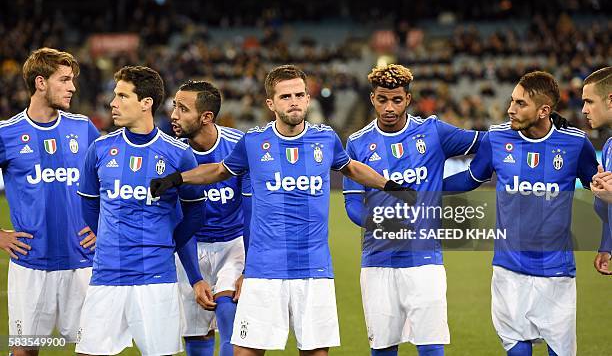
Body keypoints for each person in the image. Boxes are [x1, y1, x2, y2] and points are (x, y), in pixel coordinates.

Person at [150, 64, 414, 356]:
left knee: (315, 353)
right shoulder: (253, 141)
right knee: (245, 351)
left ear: (308, 99)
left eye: (300, 94)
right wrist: (178, 179)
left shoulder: (325, 139)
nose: (294, 101)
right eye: (286, 96)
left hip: (314, 270)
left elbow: (351, 168)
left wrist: (390, 186)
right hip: (264, 271)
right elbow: (219, 171)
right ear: (271, 103)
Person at [444, 71, 598, 356]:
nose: (510, 109)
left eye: (520, 104)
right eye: (511, 101)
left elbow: (600, 191)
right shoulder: (497, 138)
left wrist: (607, 243)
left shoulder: (576, 144)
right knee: (516, 349)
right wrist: (426, 189)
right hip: (508, 268)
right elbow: (470, 177)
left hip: (556, 272)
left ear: (544, 111)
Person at [342, 64, 483, 356]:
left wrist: (473, 177)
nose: (389, 107)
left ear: (408, 99)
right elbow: (352, 204)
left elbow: (488, 142)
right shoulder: (356, 143)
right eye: (382, 99)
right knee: (382, 349)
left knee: (431, 347)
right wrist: (377, 224)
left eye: (396, 100)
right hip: (377, 260)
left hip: (424, 259)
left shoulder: (433, 131)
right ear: (372, 99)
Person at [74, 66, 207, 356]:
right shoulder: (99, 150)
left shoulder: (179, 154)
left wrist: (169, 242)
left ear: (146, 103)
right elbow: (88, 204)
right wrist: (106, 236)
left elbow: (196, 213)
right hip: (107, 274)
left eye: (123, 96)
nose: (113, 103)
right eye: (114, 95)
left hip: (155, 278)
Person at [0, 47, 98, 356]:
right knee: (25, 351)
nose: (72, 87)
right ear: (40, 82)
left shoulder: (84, 129)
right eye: (64, 80)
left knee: (93, 348)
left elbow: (110, 186)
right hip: (31, 264)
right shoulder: (7, 133)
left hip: (83, 262)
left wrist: (103, 228)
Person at [171, 80, 252, 356]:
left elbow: (252, 210)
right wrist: (195, 278)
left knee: (229, 309)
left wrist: (248, 268)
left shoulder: (238, 145)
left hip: (233, 243)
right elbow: (177, 222)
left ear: (206, 117)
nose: (174, 115)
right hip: (190, 247)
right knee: (196, 335)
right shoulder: (171, 153)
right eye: (174, 106)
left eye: (183, 109)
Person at [580, 66, 612, 275]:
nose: (583, 109)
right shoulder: (609, 146)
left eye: (589, 101)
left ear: (610, 100)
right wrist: (606, 246)